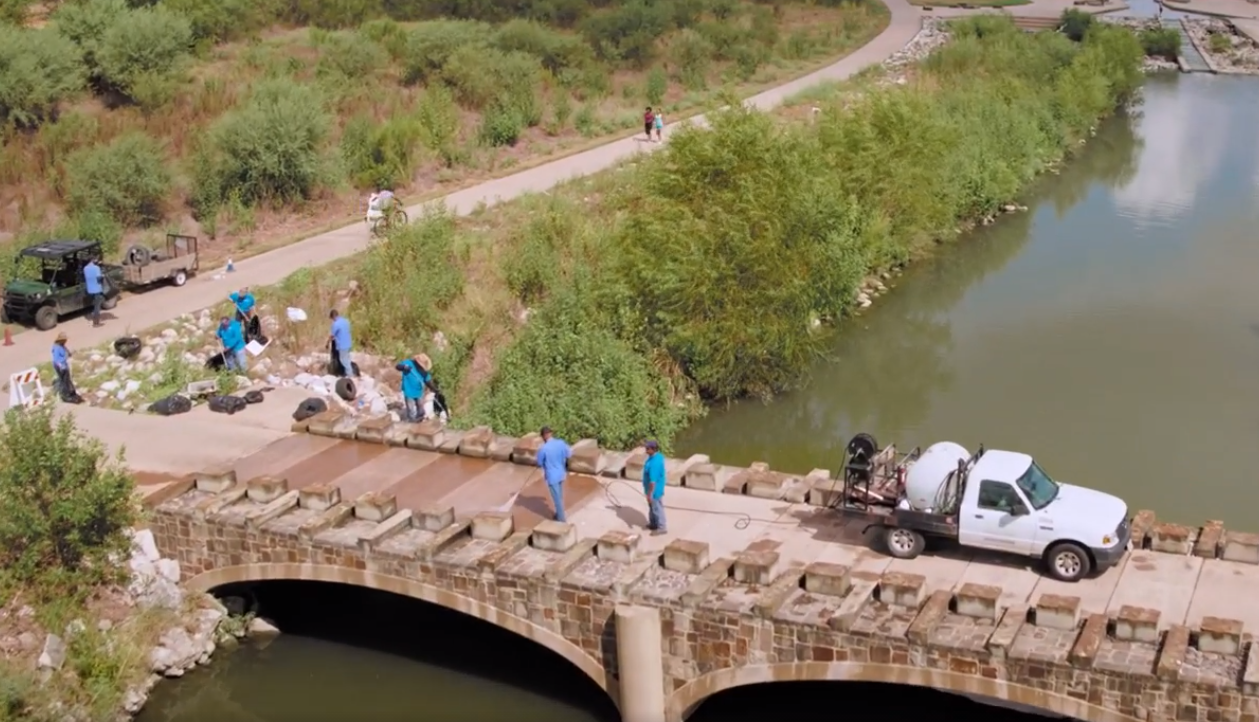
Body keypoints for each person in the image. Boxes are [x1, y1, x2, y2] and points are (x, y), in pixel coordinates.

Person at [536, 427, 573, 522]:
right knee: (559, 496)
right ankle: (559, 513)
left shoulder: (543, 449)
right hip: (561, 473)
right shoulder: (560, 443)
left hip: (552, 477)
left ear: (543, 436)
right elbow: (569, 453)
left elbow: (539, 463)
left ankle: (561, 520)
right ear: (551, 434)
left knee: (557, 499)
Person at [643, 439, 667, 535]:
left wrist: (650, 494)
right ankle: (653, 523)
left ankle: (662, 527)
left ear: (653, 449)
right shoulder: (656, 457)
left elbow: (653, 481)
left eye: (648, 448)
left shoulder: (654, 464)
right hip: (651, 488)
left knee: (656, 508)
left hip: (654, 490)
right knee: (652, 507)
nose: (646, 450)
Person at [51, 332, 82, 404]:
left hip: (64, 365)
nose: (66, 341)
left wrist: (70, 353)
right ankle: (66, 396)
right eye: (64, 340)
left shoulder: (62, 346)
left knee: (67, 380)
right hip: (60, 366)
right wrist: (61, 366)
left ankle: (72, 392)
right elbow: (56, 359)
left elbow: (67, 353)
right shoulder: (57, 347)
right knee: (64, 381)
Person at [395, 355, 426, 422]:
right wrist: (404, 367)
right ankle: (412, 422)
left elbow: (427, 379)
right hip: (408, 390)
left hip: (419, 390)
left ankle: (419, 421)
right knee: (411, 409)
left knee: (421, 408)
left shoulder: (422, 369)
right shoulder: (408, 363)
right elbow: (397, 366)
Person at [328, 309, 354, 377]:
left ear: (333, 317)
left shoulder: (336, 324)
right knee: (347, 359)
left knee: (343, 360)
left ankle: (350, 374)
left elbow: (332, 335)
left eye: (332, 319)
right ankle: (347, 373)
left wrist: (327, 343)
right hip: (348, 343)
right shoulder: (346, 321)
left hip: (342, 345)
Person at [83, 256, 104, 327]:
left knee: (94, 304)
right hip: (97, 289)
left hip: (89, 289)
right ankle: (96, 322)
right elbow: (98, 278)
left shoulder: (85, 268)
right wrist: (102, 276)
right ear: (92, 260)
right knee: (97, 306)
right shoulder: (96, 268)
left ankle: (94, 317)